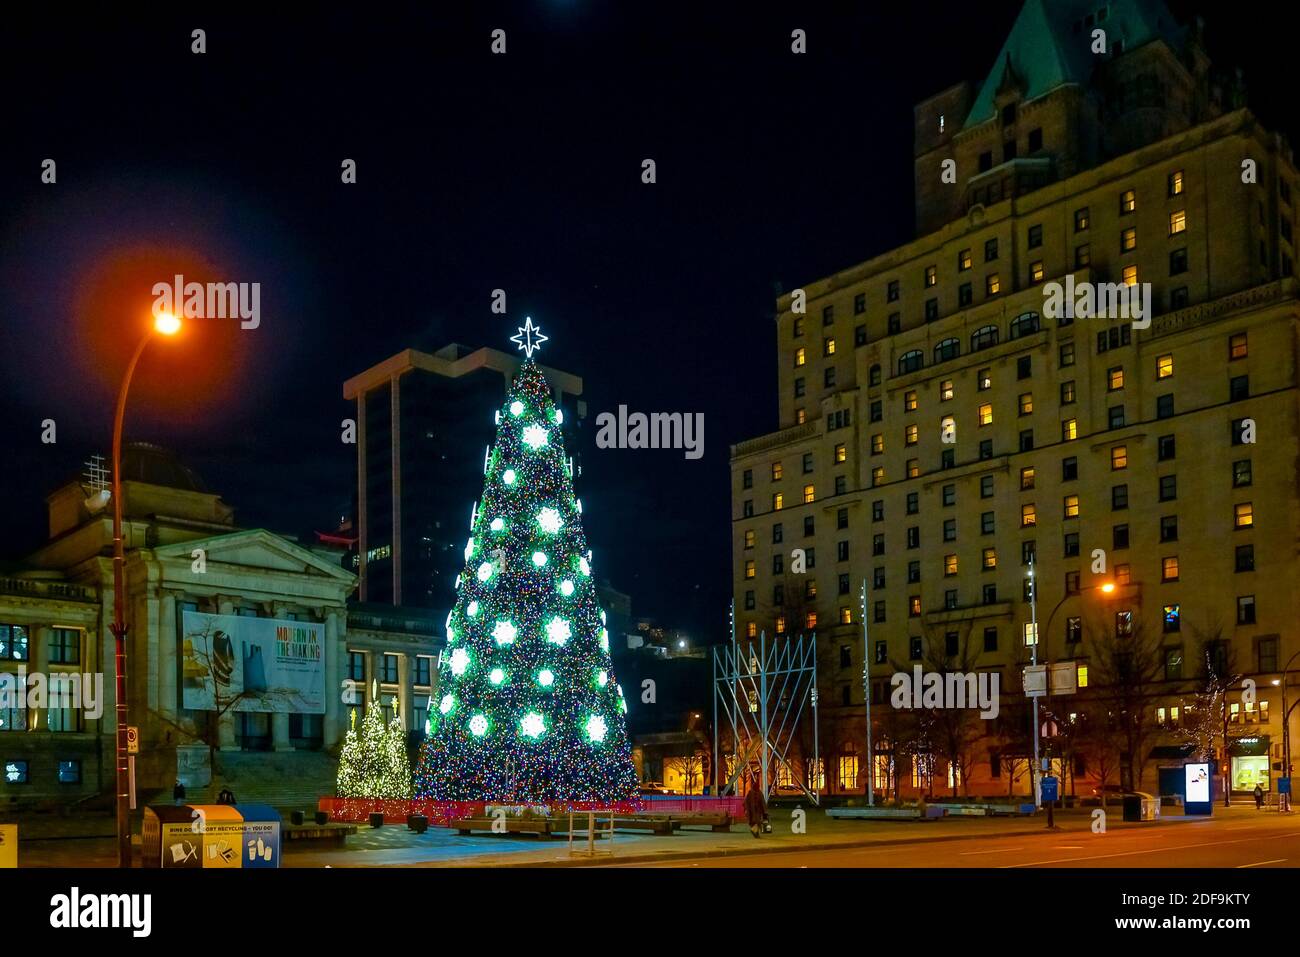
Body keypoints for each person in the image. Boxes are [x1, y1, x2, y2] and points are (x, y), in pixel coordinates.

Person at [743, 773, 767, 838]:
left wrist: (746, 809)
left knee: (754, 822)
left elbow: (745, 802)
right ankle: (755, 832)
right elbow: (763, 803)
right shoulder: (758, 793)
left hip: (753, 811)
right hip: (754, 811)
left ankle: (755, 832)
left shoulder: (750, 793)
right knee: (756, 822)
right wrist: (764, 812)